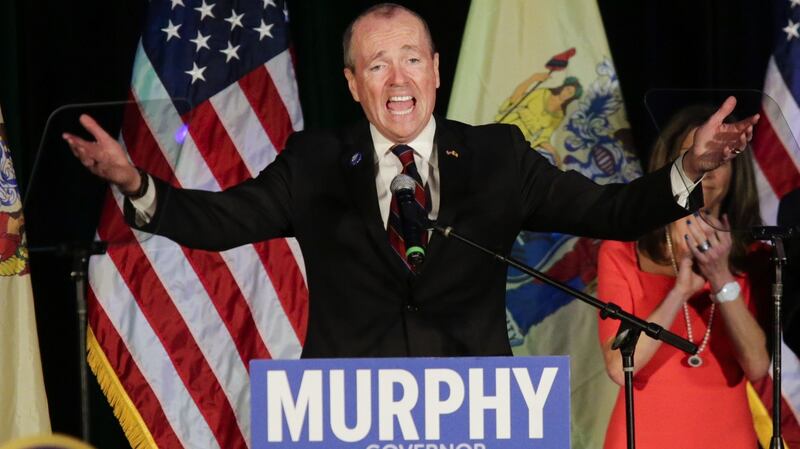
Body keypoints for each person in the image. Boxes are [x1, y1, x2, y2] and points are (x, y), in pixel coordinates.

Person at [63, 3, 757, 358]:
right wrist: (136, 183)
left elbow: (610, 209)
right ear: (352, 84)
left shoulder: (498, 156)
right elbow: (222, 222)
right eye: (376, 65)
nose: (397, 80)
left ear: (435, 69)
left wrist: (689, 168)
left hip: (475, 413)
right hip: (346, 418)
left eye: (409, 61)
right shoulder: (315, 162)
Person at [596, 105, 770, 449]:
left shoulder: (753, 259)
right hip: (645, 436)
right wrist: (678, 292)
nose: (710, 168)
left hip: (728, 437)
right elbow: (619, 366)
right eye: (699, 154)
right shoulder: (622, 251)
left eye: (722, 157)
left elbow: (757, 366)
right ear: (671, 165)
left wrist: (721, 277)